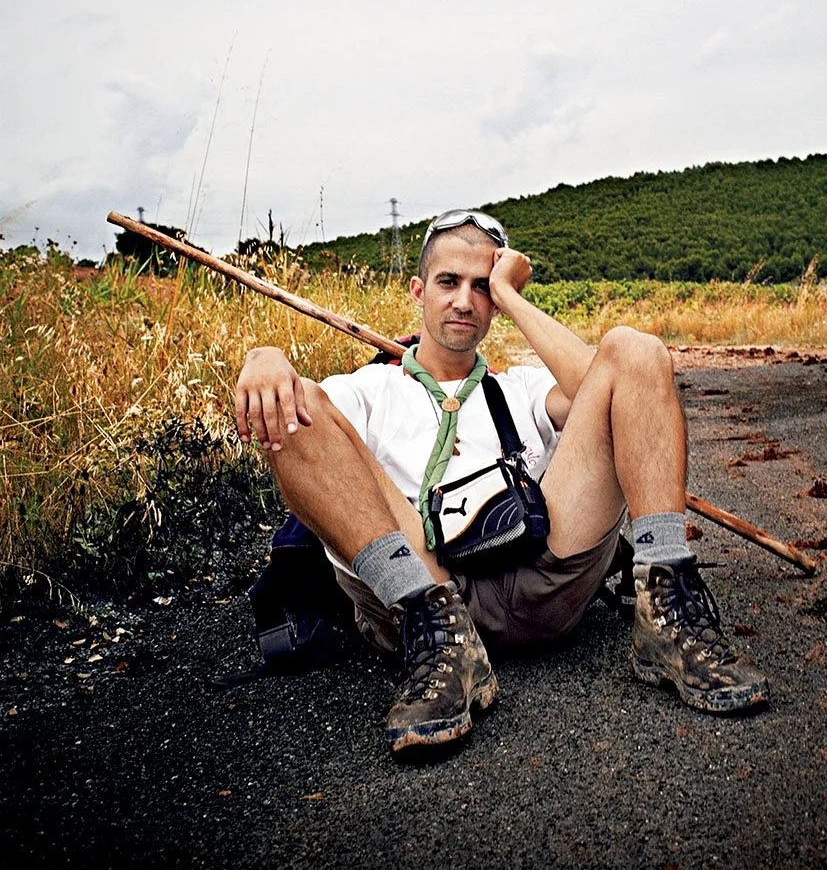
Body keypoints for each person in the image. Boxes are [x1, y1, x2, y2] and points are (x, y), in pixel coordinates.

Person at [235, 209, 767, 753]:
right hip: (424, 597)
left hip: (544, 579)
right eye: (448, 282)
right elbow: (306, 419)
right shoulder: (370, 389)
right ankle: (444, 645)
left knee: (639, 350)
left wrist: (512, 296)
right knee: (293, 409)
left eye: (480, 288)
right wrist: (264, 358)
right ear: (419, 291)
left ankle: (668, 610)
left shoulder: (522, 388)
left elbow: (626, 387)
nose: (464, 301)